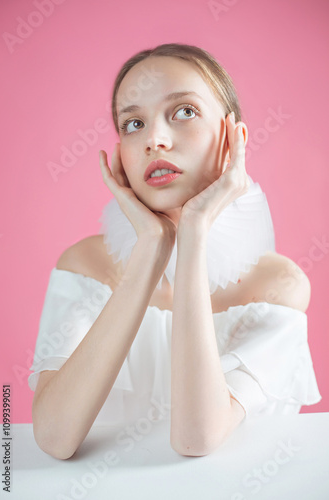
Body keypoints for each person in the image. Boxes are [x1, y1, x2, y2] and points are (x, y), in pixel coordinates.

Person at [28, 43, 321, 460]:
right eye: (133, 123)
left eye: (184, 112)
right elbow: (55, 438)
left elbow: (195, 439)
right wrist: (151, 248)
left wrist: (194, 233)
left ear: (233, 139)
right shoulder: (84, 267)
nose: (155, 140)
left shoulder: (276, 286)